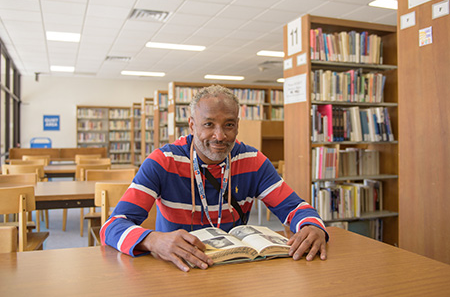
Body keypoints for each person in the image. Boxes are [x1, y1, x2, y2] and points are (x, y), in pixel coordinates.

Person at [101, 85, 328, 272]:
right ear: (192, 125)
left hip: (234, 269)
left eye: (229, 125)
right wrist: (153, 240)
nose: (220, 136)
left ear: (237, 125)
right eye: (208, 124)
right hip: (179, 270)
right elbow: (112, 226)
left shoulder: (253, 161)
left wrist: (312, 226)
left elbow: (296, 207)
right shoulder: (162, 162)